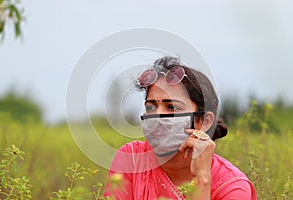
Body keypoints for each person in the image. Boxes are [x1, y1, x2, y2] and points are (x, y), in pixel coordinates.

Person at [103, 56, 257, 200]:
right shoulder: (132, 159)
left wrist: (202, 179)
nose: (157, 116)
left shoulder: (231, 186)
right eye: (151, 107)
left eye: (172, 107)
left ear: (204, 121)